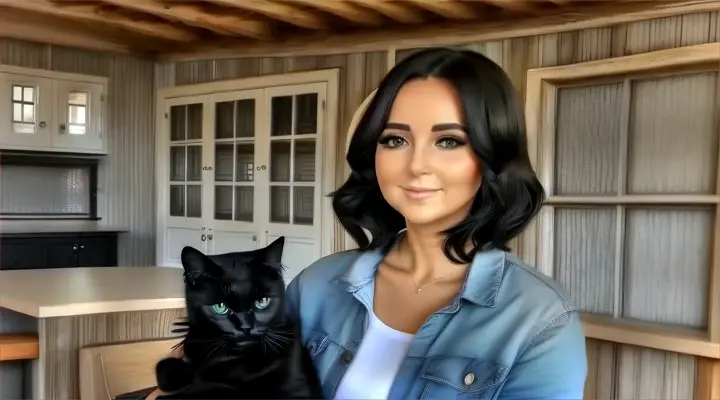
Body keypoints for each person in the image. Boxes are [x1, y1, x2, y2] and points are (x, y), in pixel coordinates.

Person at [285, 47, 587, 399]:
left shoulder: (539, 320)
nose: (416, 165)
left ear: (493, 156)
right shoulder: (316, 287)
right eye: (395, 140)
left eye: (448, 141)